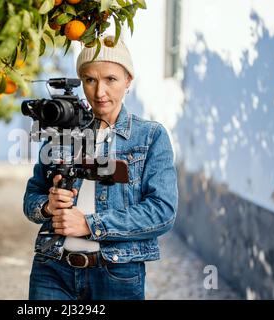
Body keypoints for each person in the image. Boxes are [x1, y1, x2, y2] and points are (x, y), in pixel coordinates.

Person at [23, 35, 178, 300]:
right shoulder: (61, 132)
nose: (99, 92)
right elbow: (31, 198)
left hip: (116, 273)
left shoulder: (150, 136)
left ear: (128, 80)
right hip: (52, 269)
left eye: (111, 79)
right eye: (90, 80)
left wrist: (90, 224)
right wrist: (48, 206)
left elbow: (162, 212)